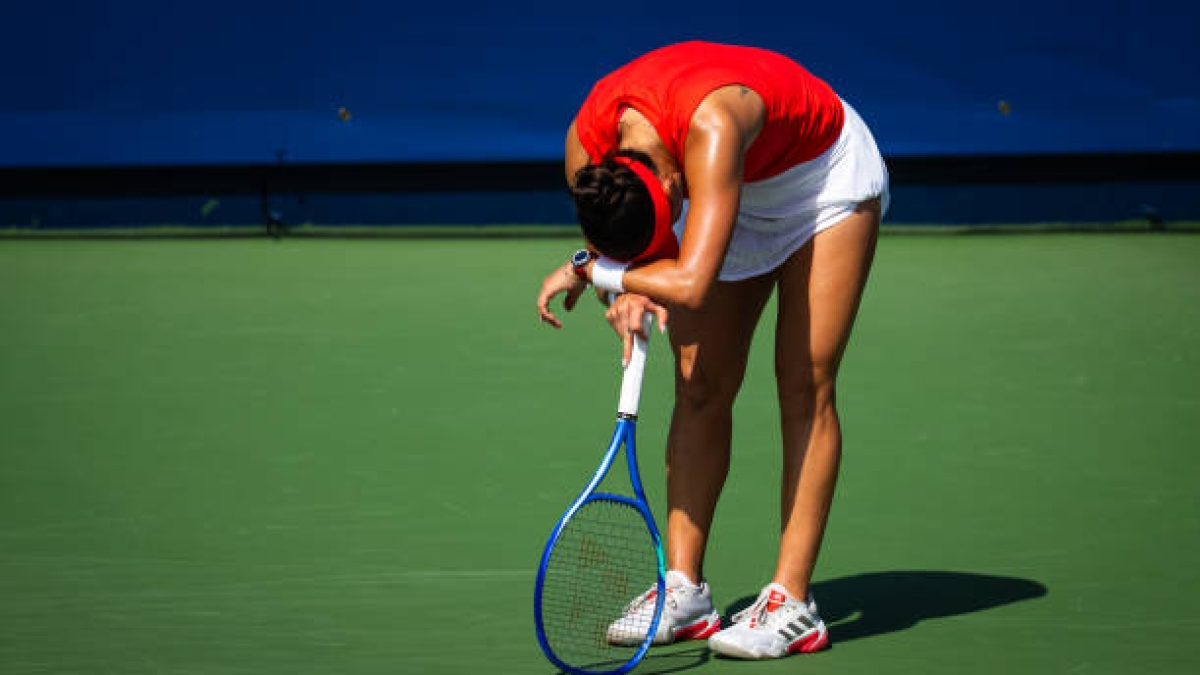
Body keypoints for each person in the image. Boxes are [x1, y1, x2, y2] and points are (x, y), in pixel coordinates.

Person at [536, 41, 888, 660]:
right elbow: (622, 259)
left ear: (673, 181)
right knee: (699, 384)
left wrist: (604, 274)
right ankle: (684, 589)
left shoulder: (714, 124)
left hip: (819, 186)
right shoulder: (586, 148)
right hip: (726, 188)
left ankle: (792, 602)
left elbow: (689, 283)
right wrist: (621, 283)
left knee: (804, 384)